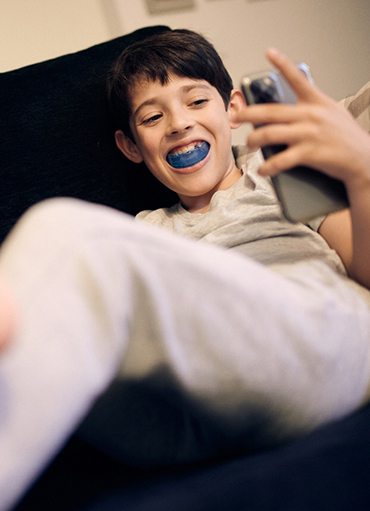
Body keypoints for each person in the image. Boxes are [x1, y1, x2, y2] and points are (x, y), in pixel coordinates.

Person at [1, 28, 370, 511]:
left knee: (61, 229)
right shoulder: (143, 233)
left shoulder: (279, 173)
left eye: (196, 102)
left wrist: (360, 171)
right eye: (152, 117)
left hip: (322, 338)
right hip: (187, 410)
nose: (177, 123)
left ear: (232, 108)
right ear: (131, 146)